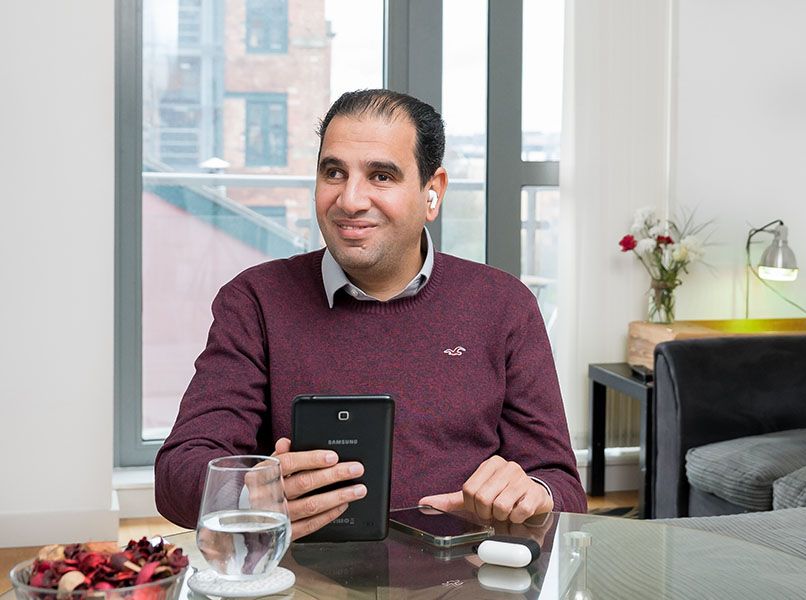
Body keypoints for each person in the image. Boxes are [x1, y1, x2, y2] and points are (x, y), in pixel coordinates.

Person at [155, 89, 586, 539]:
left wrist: (532, 491)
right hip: (303, 581)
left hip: (466, 576)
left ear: (432, 192)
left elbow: (562, 485)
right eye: (334, 172)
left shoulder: (504, 305)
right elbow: (176, 475)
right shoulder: (255, 300)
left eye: (381, 176)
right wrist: (250, 494)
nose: (350, 199)